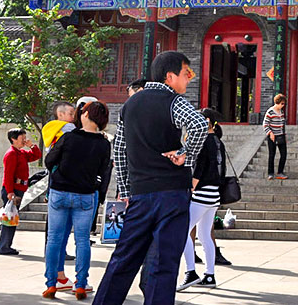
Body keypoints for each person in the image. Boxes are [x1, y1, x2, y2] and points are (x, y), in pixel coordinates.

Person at [94, 51, 208, 305]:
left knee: (123, 259)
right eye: (186, 74)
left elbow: (120, 150)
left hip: (140, 195)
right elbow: (200, 125)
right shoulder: (173, 101)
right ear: (170, 76)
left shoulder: (129, 105)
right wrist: (186, 154)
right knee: (163, 264)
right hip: (172, 194)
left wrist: (125, 189)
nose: (188, 80)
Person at [42, 101, 112, 300]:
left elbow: (49, 161)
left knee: (54, 239)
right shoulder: (104, 143)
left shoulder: (68, 137)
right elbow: (102, 170)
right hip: (86, 194)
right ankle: (80, 284)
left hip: (60, 191)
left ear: (86, 114)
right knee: (82, 241)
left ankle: (51, 284)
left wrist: (60, 172)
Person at [177, 108, 226, 291]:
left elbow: (200, 168)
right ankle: (210, 275)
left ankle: (191, 272)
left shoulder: (204, 141)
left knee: (183, 230)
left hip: (202, 193)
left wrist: (191, 187)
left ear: (206, 121)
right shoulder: (218, 142)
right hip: (214, 195)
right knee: (205, 235)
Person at [0, 128, 42, 255]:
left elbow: (36, 155)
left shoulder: (21, 153)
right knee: (9, 218)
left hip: (20, 189)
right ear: (13, 139)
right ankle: (3, 246)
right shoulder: (11, 154)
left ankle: (6, 245)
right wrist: (10, 192)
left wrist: (32, 146)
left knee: (12, 219)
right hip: (13, 190)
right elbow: (8, 175)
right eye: (22, 138)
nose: (24, 140)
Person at [262, 94, 288, 180]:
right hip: (272, 136)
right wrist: (270, 133)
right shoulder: (270, 111)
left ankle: (280, 172)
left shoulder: (282, 112)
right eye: (282, 103)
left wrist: (284, 135)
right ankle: (270, 173)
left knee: (284, 154)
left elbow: (282, 124)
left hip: (281, 135)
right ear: (277, 102)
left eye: (284, 104)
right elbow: (265, 125)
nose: (282, 105)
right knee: (272, 155)